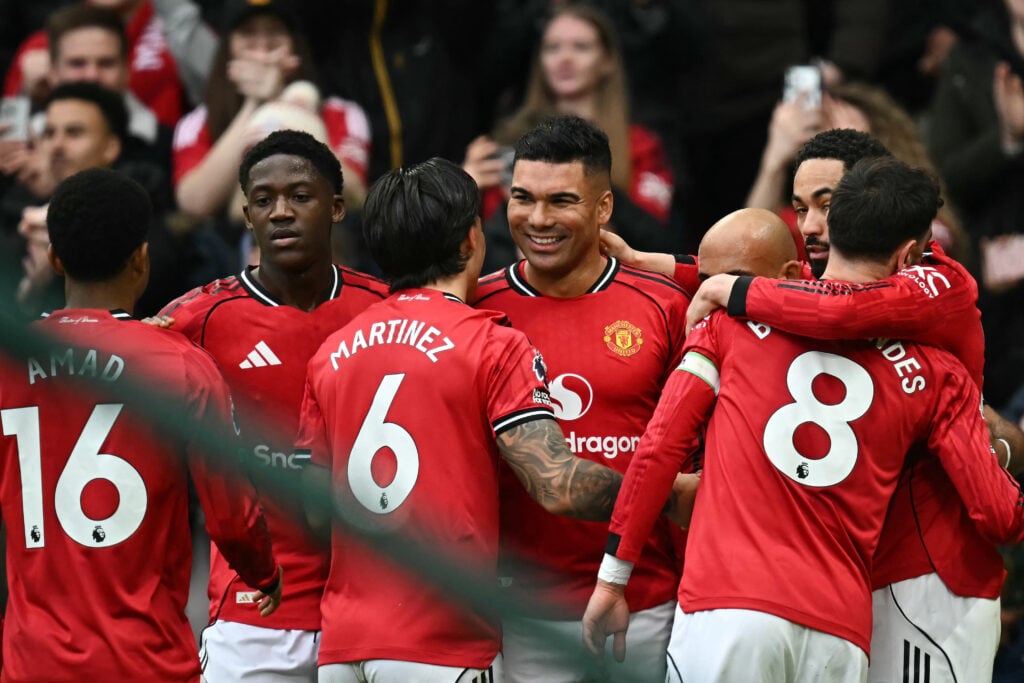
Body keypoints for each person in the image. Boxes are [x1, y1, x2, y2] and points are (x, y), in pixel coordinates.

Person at [582, 156, 1024, 682]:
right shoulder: (934, 369)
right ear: (908, 253)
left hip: (728, 607)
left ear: (824, 232)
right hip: (841, 629)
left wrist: (612, 581)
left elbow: (657, 451)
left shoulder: (729, 327)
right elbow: (1003, 517)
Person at [295, 156, 625, 682]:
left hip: (343, 645)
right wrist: (665, 494)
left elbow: (312, 512)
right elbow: (557, 484)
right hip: (443, 644)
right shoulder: (491, 342)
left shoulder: (333, 353)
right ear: (472, 239)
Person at [0, 167, 282, 681]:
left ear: (55, 259)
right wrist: (265, 574)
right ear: (142, 259)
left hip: (31, 660)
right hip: (145, 661)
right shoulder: (180, 363)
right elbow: (232, 517)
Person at [158, 129, 387, 681]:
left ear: (336, 207)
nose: (281, 212)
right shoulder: (195, 320)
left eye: (300, 197)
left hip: (370, 607)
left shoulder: (383, 308)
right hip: (253, 612)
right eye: (264, 200)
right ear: (246, 214)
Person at [470, 114, 686, 682]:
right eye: (522, 198)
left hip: (648, 600)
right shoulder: (476, 309)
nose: (537, 219)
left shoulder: (664, 306)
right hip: (523, 611)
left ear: (604, 208)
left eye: (561, 201)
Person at [467, 5, 676, 271]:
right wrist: (463, 190)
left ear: (608, 60)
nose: (565, 58)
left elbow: (662, 242)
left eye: (581, 47)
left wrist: (589, 179)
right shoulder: (505, 140)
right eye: (552, 48)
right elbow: (475, 249)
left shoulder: (641, 144)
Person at [172, 0, 370, 266]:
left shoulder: (340, 112)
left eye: (275, 32)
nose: (262, 47)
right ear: (227, 48)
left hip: (326, 249)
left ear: (295, 46)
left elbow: (354, 193)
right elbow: (194, 203)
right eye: (248, 34)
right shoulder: (198, 121)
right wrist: (255, 105)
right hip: (229, 259)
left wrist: (286, 106)